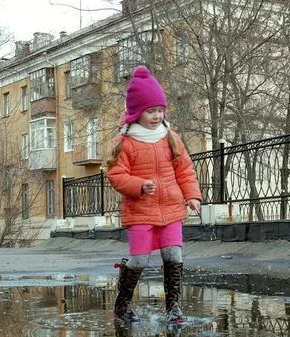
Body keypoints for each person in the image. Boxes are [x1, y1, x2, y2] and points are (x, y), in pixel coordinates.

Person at [107, 65, 202, 324]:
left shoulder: (171, 138)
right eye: (151, 111)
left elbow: (185, 170)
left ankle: (173, 308)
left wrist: (192, 196)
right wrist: (138, 185)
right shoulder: (125, 143)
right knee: (138, 259)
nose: (157, 115)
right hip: (140, 212)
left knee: (174, 256)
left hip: (171, 209)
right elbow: (116, 175)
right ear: (137, 113)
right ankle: (122, 306)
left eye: (160, 110)